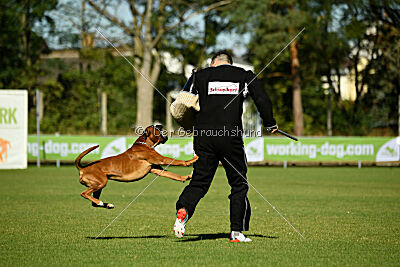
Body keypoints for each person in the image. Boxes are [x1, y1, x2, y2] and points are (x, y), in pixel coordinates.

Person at [173, 51, 278, 242]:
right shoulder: (244, 75)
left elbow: (180, 103)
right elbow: (262, 98)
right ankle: (236, 232)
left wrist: (188, 125)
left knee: (199, 182)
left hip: (204, 137)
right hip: (231, 137)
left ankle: (184, 209)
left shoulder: (200, 75)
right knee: (238, 184)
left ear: (213, 63)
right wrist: (270, 123)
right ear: (229, 64)